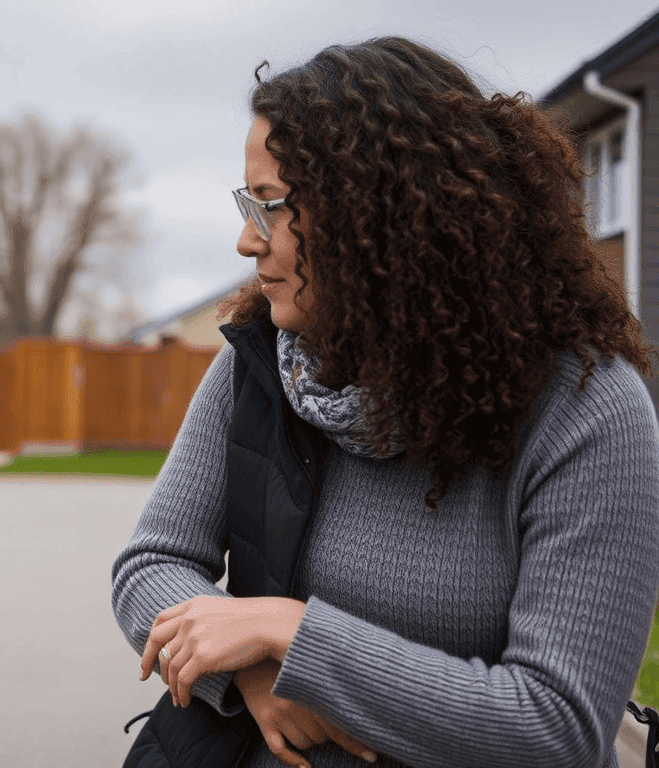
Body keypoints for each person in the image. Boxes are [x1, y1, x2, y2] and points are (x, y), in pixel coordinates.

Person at [112, 36, 659, 768]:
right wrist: (250, 672)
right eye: (249, 204)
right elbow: (150, 563)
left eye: (271, 205)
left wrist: (294, 636)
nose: (247, 240)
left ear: (382, 215)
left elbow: (555, 726)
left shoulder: (586, 412)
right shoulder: (264, 363)